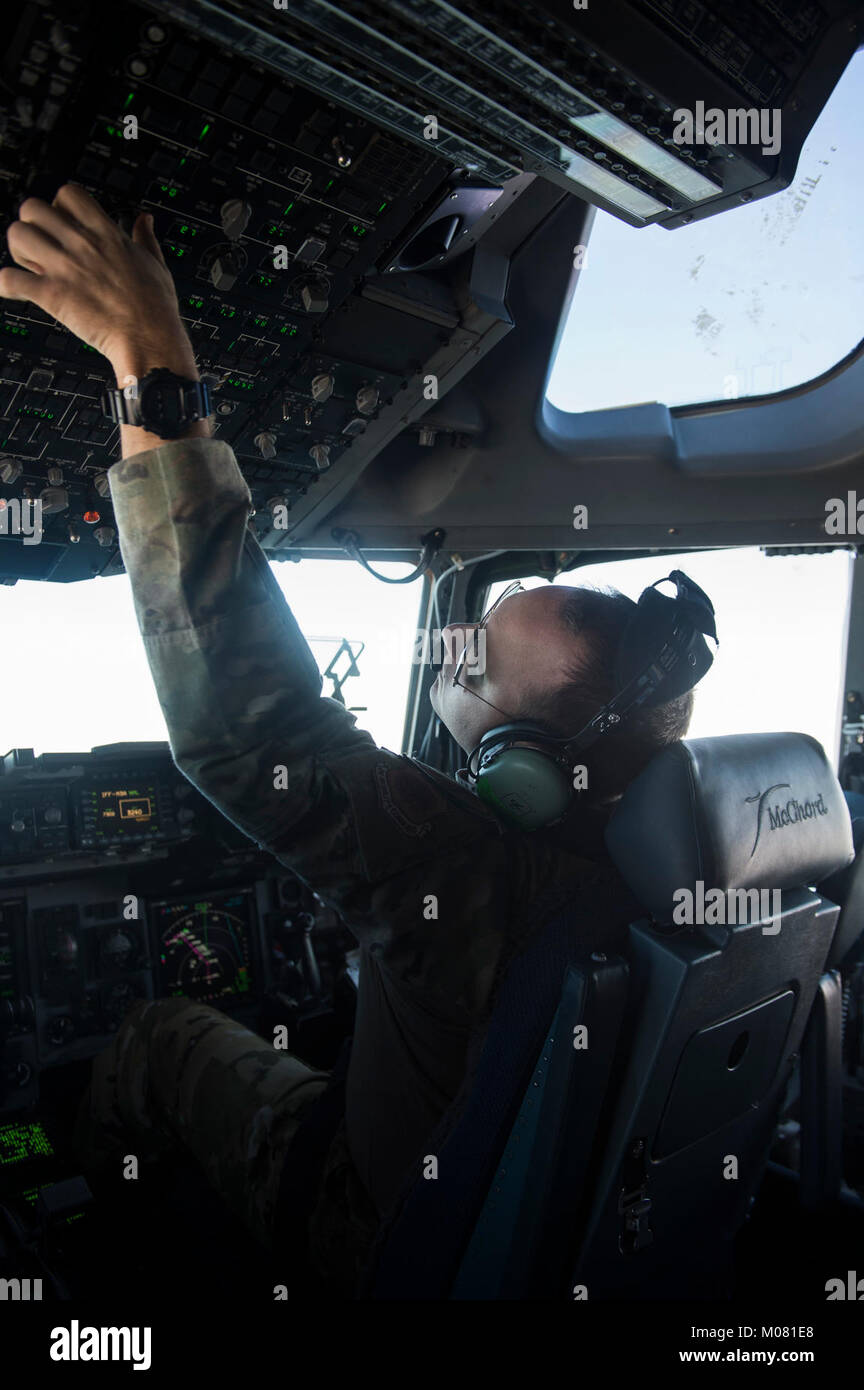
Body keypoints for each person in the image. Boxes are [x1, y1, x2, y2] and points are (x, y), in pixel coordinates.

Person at [0, 186, 695, 1293]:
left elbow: (244, 723)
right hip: (519, 1223)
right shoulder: (682, 871)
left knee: (158, 1034)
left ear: (525, 770)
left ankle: (83, 1261)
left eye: (471, 663)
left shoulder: (471, 864)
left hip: (369, 1225)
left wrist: (151, 361)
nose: (444, 658)